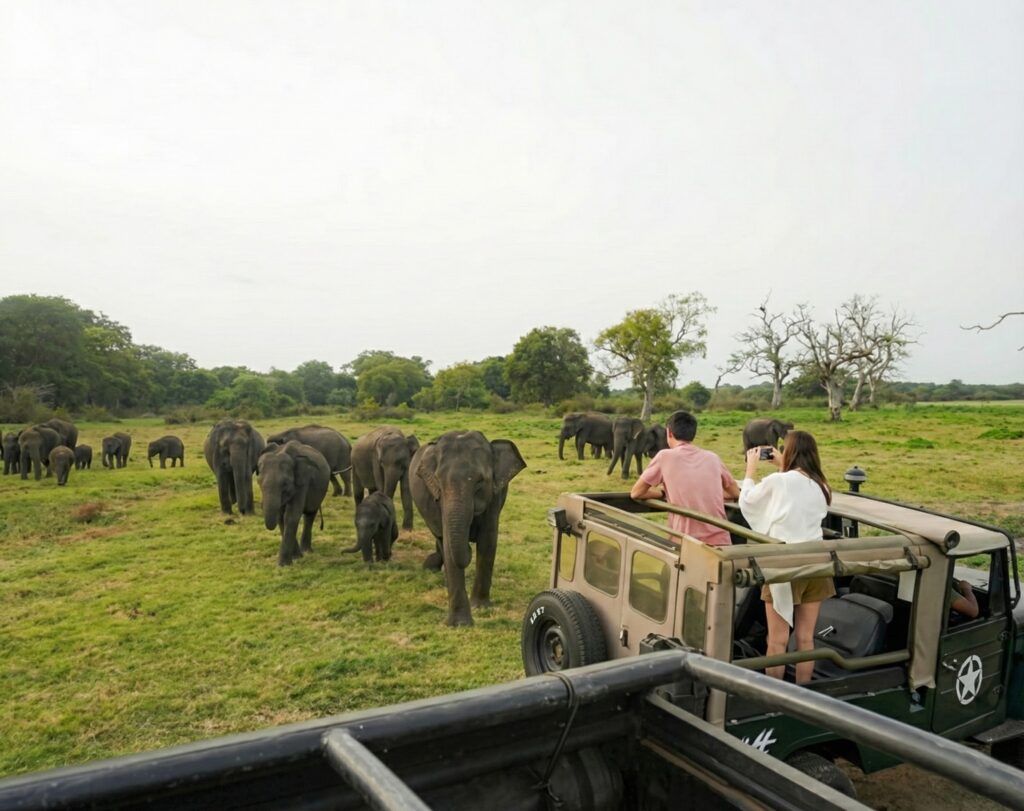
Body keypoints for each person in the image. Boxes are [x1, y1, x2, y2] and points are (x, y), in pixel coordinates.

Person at [738, 430, 832, 683]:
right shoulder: (822, 485)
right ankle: (803, 692)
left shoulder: (779, 481)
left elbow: (747, 502)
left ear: (789, 452)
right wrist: (783, 466)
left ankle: (775, 695)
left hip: (785, 566)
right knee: (805, 638)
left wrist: (751, 471)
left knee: (777, 640)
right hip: (816, 564)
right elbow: (796, 493)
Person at [630, 410, 739, 546]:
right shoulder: (713, 457)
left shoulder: (665, 456)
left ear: (669, 433)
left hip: (686, 543)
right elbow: (735, 493)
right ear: (693, 434)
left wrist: (662, 492)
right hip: (721, 541)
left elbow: (636, 492)